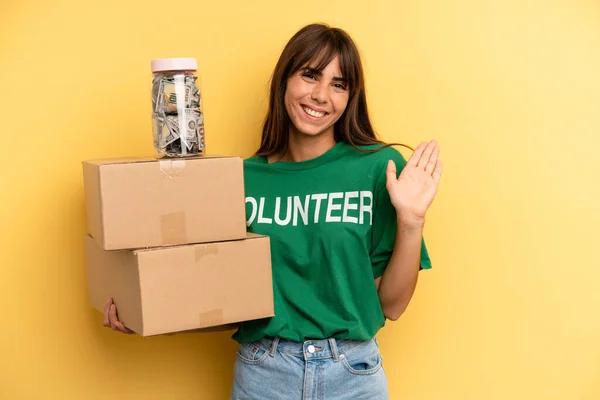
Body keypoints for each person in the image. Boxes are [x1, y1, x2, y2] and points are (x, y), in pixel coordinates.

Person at [103, 23, 442, 399]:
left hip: (353, 375)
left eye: (338, 84)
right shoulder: (239, 179)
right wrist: (145, 314)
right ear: (284, 79)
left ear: (351, 97)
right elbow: (222, 303)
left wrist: (412, 222)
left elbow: (391, 306)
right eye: (310, 75)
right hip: (264, 374)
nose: (320, 95)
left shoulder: (380, 169)